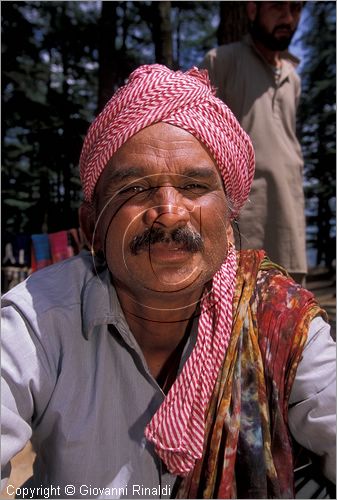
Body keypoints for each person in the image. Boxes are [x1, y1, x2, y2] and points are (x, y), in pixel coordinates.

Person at [1, 64, 335, 500]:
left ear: (228, 217)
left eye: (194, 185)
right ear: (92, 227)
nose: (170, 211)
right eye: (135, 189)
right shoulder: (37, 321)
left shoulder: (279, 321)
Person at [201, 1, 307, 284]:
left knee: (293, 316)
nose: (288, 17)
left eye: (296, 9)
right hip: (243, 223)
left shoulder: (292, 77)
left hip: (290, 221)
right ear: (252, 10)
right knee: (240, 315)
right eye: (277, 7)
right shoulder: (221, 62)